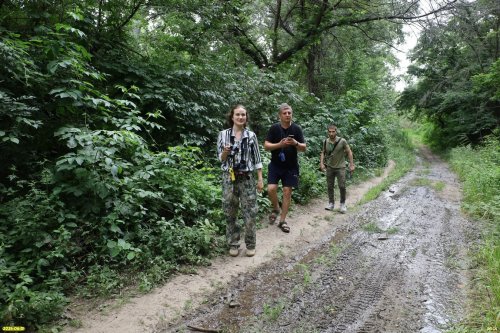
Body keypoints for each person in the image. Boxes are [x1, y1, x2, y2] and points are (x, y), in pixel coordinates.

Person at [217, 105, 264, 257]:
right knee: (230, 211)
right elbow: (220, 159)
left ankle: (251, 244)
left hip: (247, 178)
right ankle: (233, 243)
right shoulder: (223, 135)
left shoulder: (251, 135)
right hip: (229, 178)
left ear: (246, 117)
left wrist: (260, 179)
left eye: (243, 115)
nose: (240, 117)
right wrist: (225, 152)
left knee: (250, 211)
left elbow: (257, 158)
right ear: (232, 117)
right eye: (237, 114)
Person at [264, 103, 306, 233]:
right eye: (285, 113)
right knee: (271, 189)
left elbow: (303, 148)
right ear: (280, 115)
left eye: (289, 113)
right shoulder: (274, 128)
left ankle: (282, 221)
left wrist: (295, 143)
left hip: (291, 166)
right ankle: (276, 208)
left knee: (287, 191)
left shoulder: (296, 129)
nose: (287, 115)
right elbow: (266, 146)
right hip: (276, 165)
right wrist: (279, 144)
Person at [319, 124, 355, 213]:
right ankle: (331, 203)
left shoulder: (342, 141)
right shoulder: (325, 142)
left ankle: (342, 204)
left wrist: (351, 164)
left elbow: (349, 152)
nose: (331, 133)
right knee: (329, 186)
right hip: (330, 167)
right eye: (329, 132)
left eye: (333, 131)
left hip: (341, 167)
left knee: (342, 186)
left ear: (336, 131)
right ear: (327, 132)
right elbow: (323, 152)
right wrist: (321, 163)